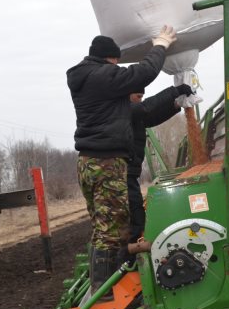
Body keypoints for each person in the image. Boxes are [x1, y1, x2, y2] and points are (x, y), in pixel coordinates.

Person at [66, 26, 177, 292]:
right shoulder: (101, 76)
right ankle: (104, 296)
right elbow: (144, 73)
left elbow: (142, 111)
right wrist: (160, 44)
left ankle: (101, 289)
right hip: (106, 163)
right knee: (112, 231)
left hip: (88, 162)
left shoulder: (87, 79)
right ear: (110, 59)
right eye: (116, 62)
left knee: (101, 227)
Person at [127, 84, 193, 242]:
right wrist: (175, 91)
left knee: (136, 215)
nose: (140, 100)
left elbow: (151, 117)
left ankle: (134, 250)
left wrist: (176, 105)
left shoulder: (134, 115)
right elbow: (148, 107)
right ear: (127, 94)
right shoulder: (122, 111)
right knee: (133, 218)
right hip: (122, 174)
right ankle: (129, 257)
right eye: (138, 97)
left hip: (130, 173)